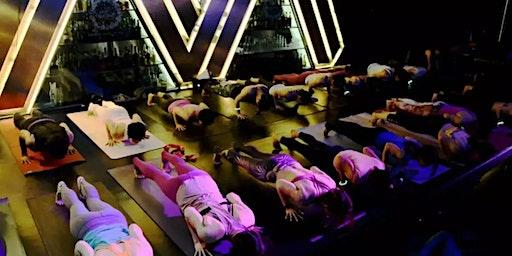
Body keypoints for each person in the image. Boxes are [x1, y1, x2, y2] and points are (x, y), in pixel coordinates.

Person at [132, 151, 265, 256]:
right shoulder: (213, 233)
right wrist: (198, 241)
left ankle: (165, 156)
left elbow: (231, 195)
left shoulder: (248, 219)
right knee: (155, 175)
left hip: (204, 181)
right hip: (183, 190)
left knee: (180, 163)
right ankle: (135, 160)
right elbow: (189, 211)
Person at [214, 147, 353, 225]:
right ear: (328, 206)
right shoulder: (304, 197)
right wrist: (288, 206)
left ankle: (241, 146)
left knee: (259, 154)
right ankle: (220, 151)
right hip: (269, 170)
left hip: (286, 159)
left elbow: (314, 168)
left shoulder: (331, 184)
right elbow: (280, 184)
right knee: (238, 159)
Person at [55, 177, 153, 255]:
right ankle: (62, 187)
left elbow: (133, 227)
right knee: (75, 204)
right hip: (88, 225)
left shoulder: (146, 253)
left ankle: (82, 181)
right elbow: (81, 245)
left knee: (94, 199)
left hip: (114, 218)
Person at [324, 120, 437, 166]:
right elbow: (388, 146)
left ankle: (335, 123)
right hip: (374, 138)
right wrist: (384, 162)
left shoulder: (417, 145)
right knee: (351, 132)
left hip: (382, 133)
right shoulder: (402, 154)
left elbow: (407, 137)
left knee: (355, 129)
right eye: (426, 162)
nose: (425, 165)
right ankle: (330, 125)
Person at [203, 79, 274, 119]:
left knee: (222, 86)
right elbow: (237, 99)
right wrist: (238, 113)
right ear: (258, 99)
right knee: (217, 89)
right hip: (231, 91)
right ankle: (206, 87)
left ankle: (221, 82)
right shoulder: (249, 91)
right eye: (257, 103)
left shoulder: (265, 90)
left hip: (239, 86)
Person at [147, 92, 216, 131]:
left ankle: (161, 93)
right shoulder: (186, 116)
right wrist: (177, 124)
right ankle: (152, 96)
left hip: (183, 101)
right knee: (162, 103)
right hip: (172, 105)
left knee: (170, 98)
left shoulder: (203, 108)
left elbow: (202, 104)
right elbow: (175, 110)